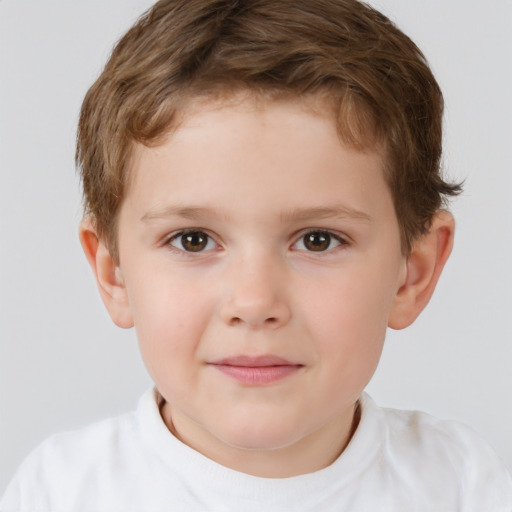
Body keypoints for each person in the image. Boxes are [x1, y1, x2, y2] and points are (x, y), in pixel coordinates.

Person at [2, 0, 511, 510]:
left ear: (411, 274)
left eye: (318, 239)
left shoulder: (461, 486)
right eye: (193, 240)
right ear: (114, 274)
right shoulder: (61, 492)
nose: (254, 301)